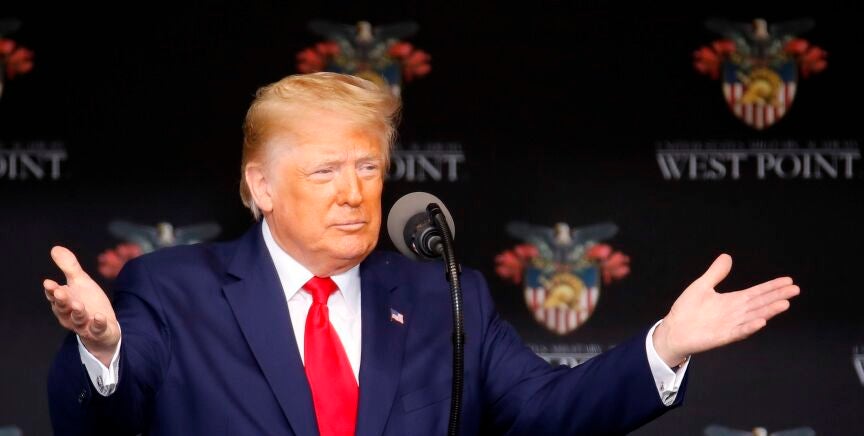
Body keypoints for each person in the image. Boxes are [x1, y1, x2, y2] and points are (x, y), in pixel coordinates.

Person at [43, 72, 800, 435]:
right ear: (260, 186)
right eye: (324, 171)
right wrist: (102, 348)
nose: (354, 193)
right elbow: (99, 422)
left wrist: (664, 347)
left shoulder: (445, 296)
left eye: (368, 168)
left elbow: (546, 414)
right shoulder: (172, 289)